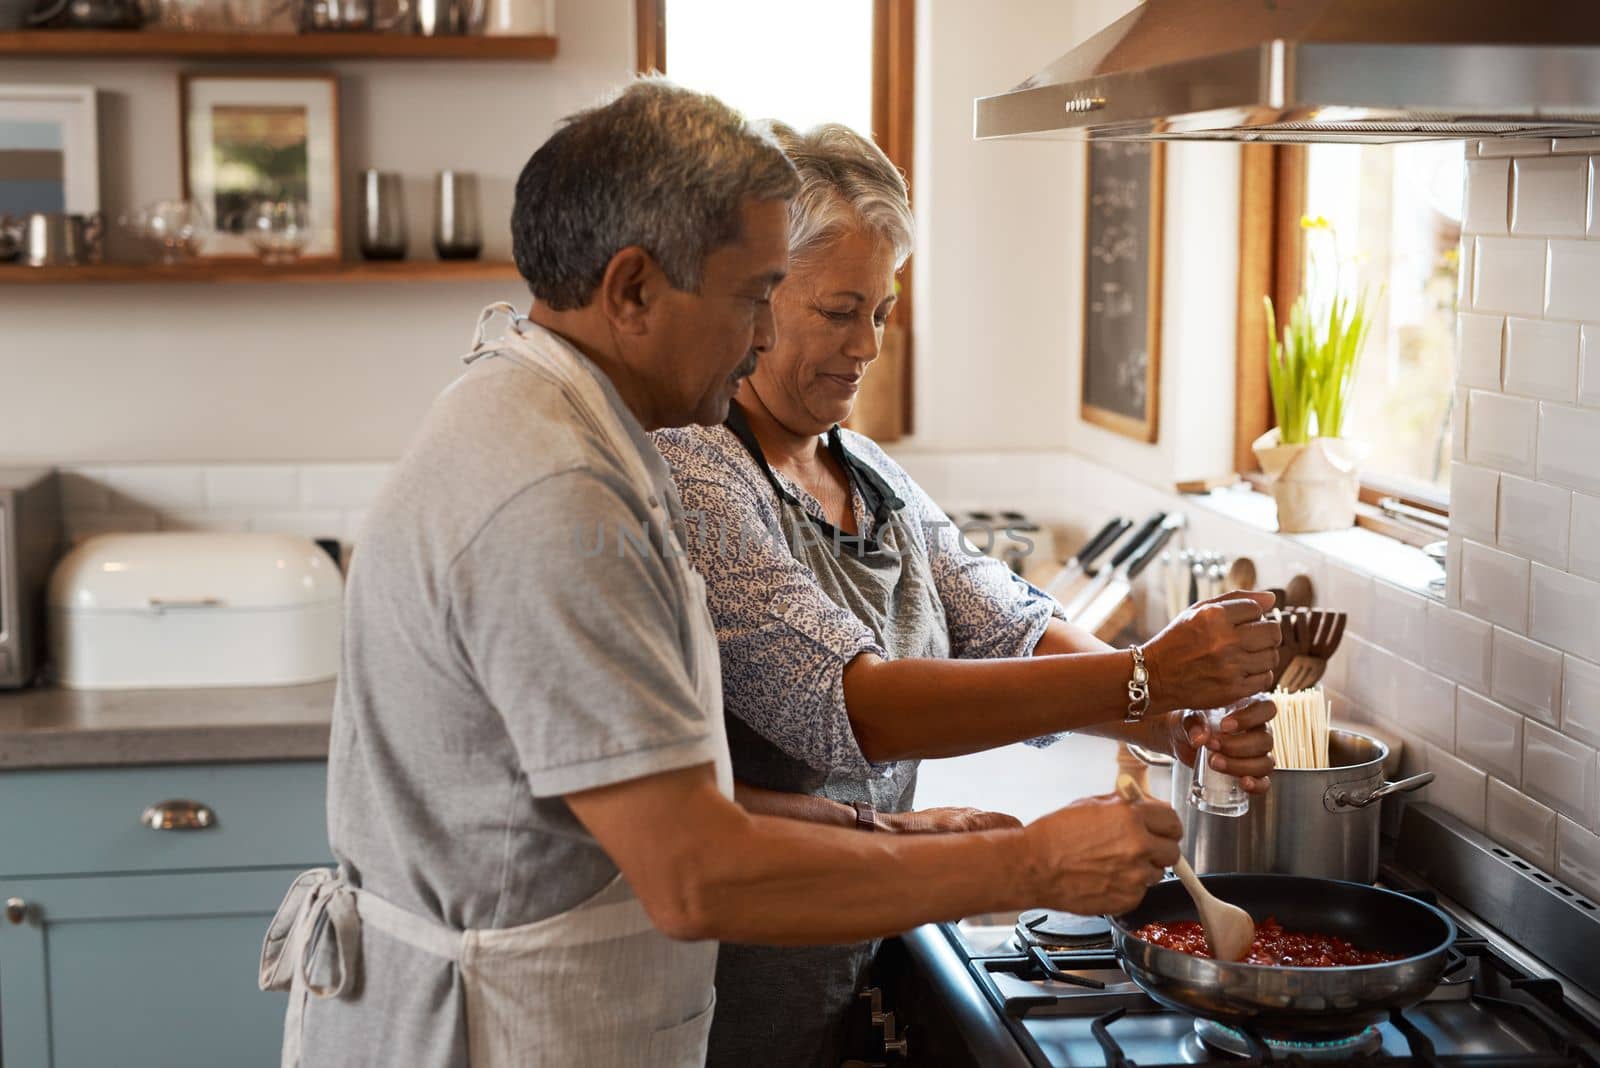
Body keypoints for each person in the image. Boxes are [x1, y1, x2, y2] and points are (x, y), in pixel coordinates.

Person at [255, 79, 1249, 1068]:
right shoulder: (557, 494)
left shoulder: (575, 438)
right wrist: (1032, 859)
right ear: (633, 288)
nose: (766, 336)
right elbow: (692, 871)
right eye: (752, 298)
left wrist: (877, 828)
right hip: (500, 1036)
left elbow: (589, 800)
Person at [652, 121, 1281, 1068]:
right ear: (759, 296)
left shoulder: (864, 470)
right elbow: (849, 704)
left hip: (856, 948)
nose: (869, 345)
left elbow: (1004, 619)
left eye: (885, 309)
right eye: (840, 310)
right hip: (722, 993)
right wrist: (1145, 678)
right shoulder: (695, 468)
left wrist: (1171, 716)